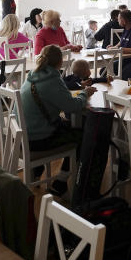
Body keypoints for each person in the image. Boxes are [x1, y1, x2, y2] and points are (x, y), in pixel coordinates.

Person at [21, 45, 95, 189]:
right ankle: (61, 181)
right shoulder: (53, 80)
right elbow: (72, 106)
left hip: (23, 137)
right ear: (60, 62)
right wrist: (84, 93)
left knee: (65, 124)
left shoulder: (31, 76)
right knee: (83, 135)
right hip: (38, 140)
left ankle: (36, 173)